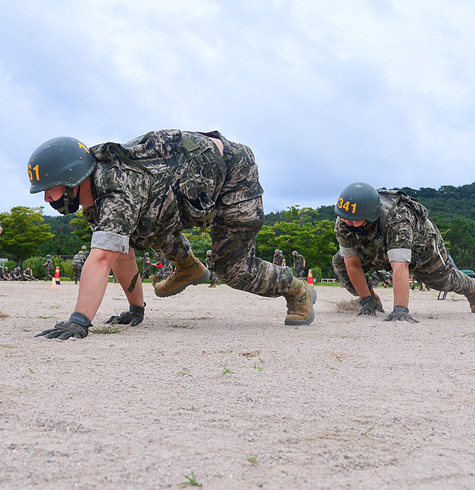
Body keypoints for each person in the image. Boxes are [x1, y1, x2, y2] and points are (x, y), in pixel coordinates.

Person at [27, 131, 315, 340]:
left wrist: (79, 321)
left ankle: (297, 289)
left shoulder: (118, 186)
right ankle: (189, 267)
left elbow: (101, 258)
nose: (47, 198)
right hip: (183, 190)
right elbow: (121, 253)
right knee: (139, 228)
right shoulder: (97, 200)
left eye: (49, 188)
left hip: (233, 172)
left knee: (233, 269)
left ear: (73, 178)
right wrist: (135, 309)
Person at [333, 182, 475, 323]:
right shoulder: (345, 219)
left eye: (353, 220)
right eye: (344, 217)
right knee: (340, 263)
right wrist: (366, 300)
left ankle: (472, 288)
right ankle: (372, 299)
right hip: (377, 247)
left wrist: (400, 309)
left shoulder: (398, 219)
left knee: (443, 281)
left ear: (369, 216)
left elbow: (400, 266)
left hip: (421, 249)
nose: (347, 222)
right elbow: (352, 264)